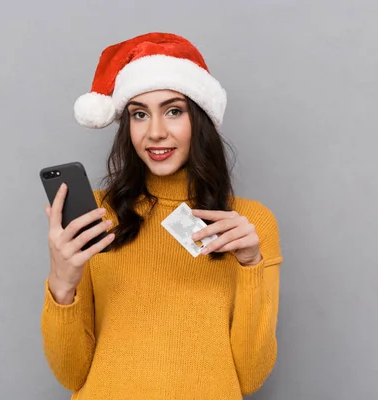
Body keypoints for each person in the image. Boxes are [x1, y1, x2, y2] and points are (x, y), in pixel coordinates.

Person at [41, 32, 283, 399]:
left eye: (173, 111)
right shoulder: (96, 216)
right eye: (140, 114)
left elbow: (249, 376)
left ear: (199, 119)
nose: (155, 132)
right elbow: (71, 373)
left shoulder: (248, 225)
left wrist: (252, 265)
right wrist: (62, 285)